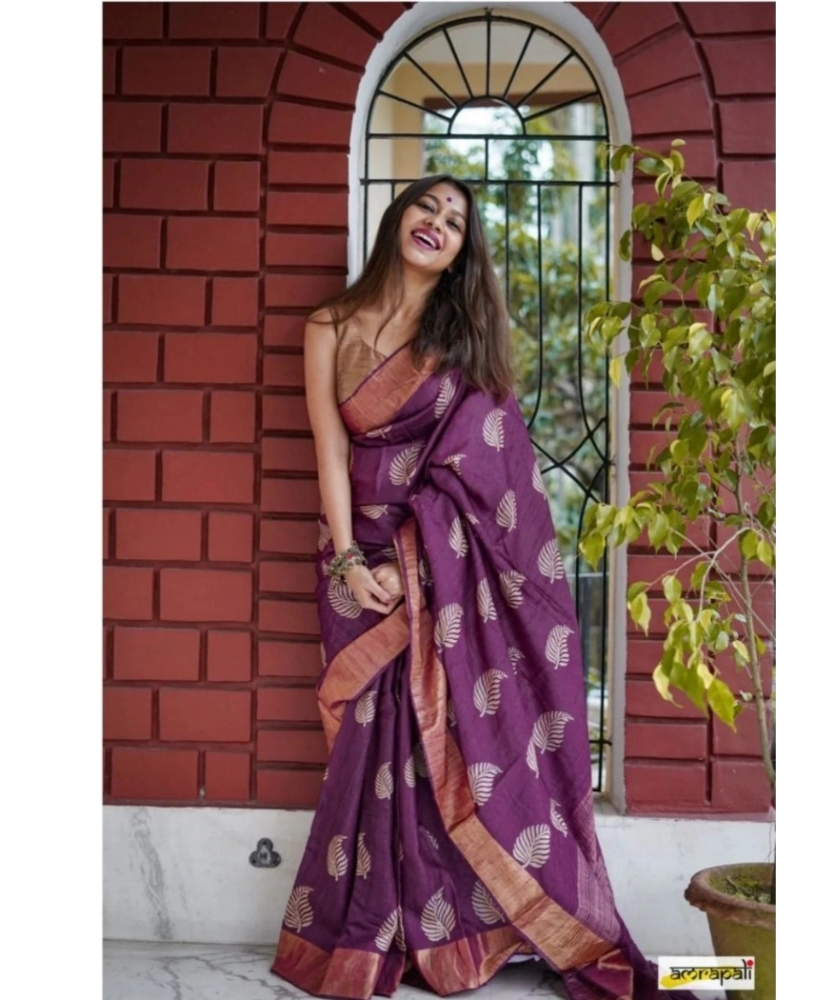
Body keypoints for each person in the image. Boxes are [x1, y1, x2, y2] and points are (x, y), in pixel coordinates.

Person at [270, 176, 684, 999]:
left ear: (462, 252)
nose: (438, 222)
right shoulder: (329, 326)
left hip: (434, 561)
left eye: (456, 221)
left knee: (445, 740)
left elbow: (489, 472)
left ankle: (463, 936)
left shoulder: (458, 345)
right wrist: (351, 561)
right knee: (374, 742)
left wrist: (413, 567)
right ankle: (381, 932)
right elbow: (329, 452)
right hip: (355, 560)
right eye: (428, 206)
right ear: (399, 218)